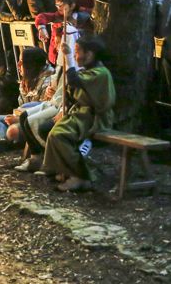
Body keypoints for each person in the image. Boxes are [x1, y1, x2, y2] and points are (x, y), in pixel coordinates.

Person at [37, 35, 115, 191]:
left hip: (94, 118)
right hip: (81, 114)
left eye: (78, 51)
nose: (75, 54)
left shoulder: (101, 73)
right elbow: (73, 90)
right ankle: (63, 169)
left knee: (60, 135)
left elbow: (75, 82)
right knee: (52, 132)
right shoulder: (90, 71)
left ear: (90, 54)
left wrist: (68, 58)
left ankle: (80, 176)